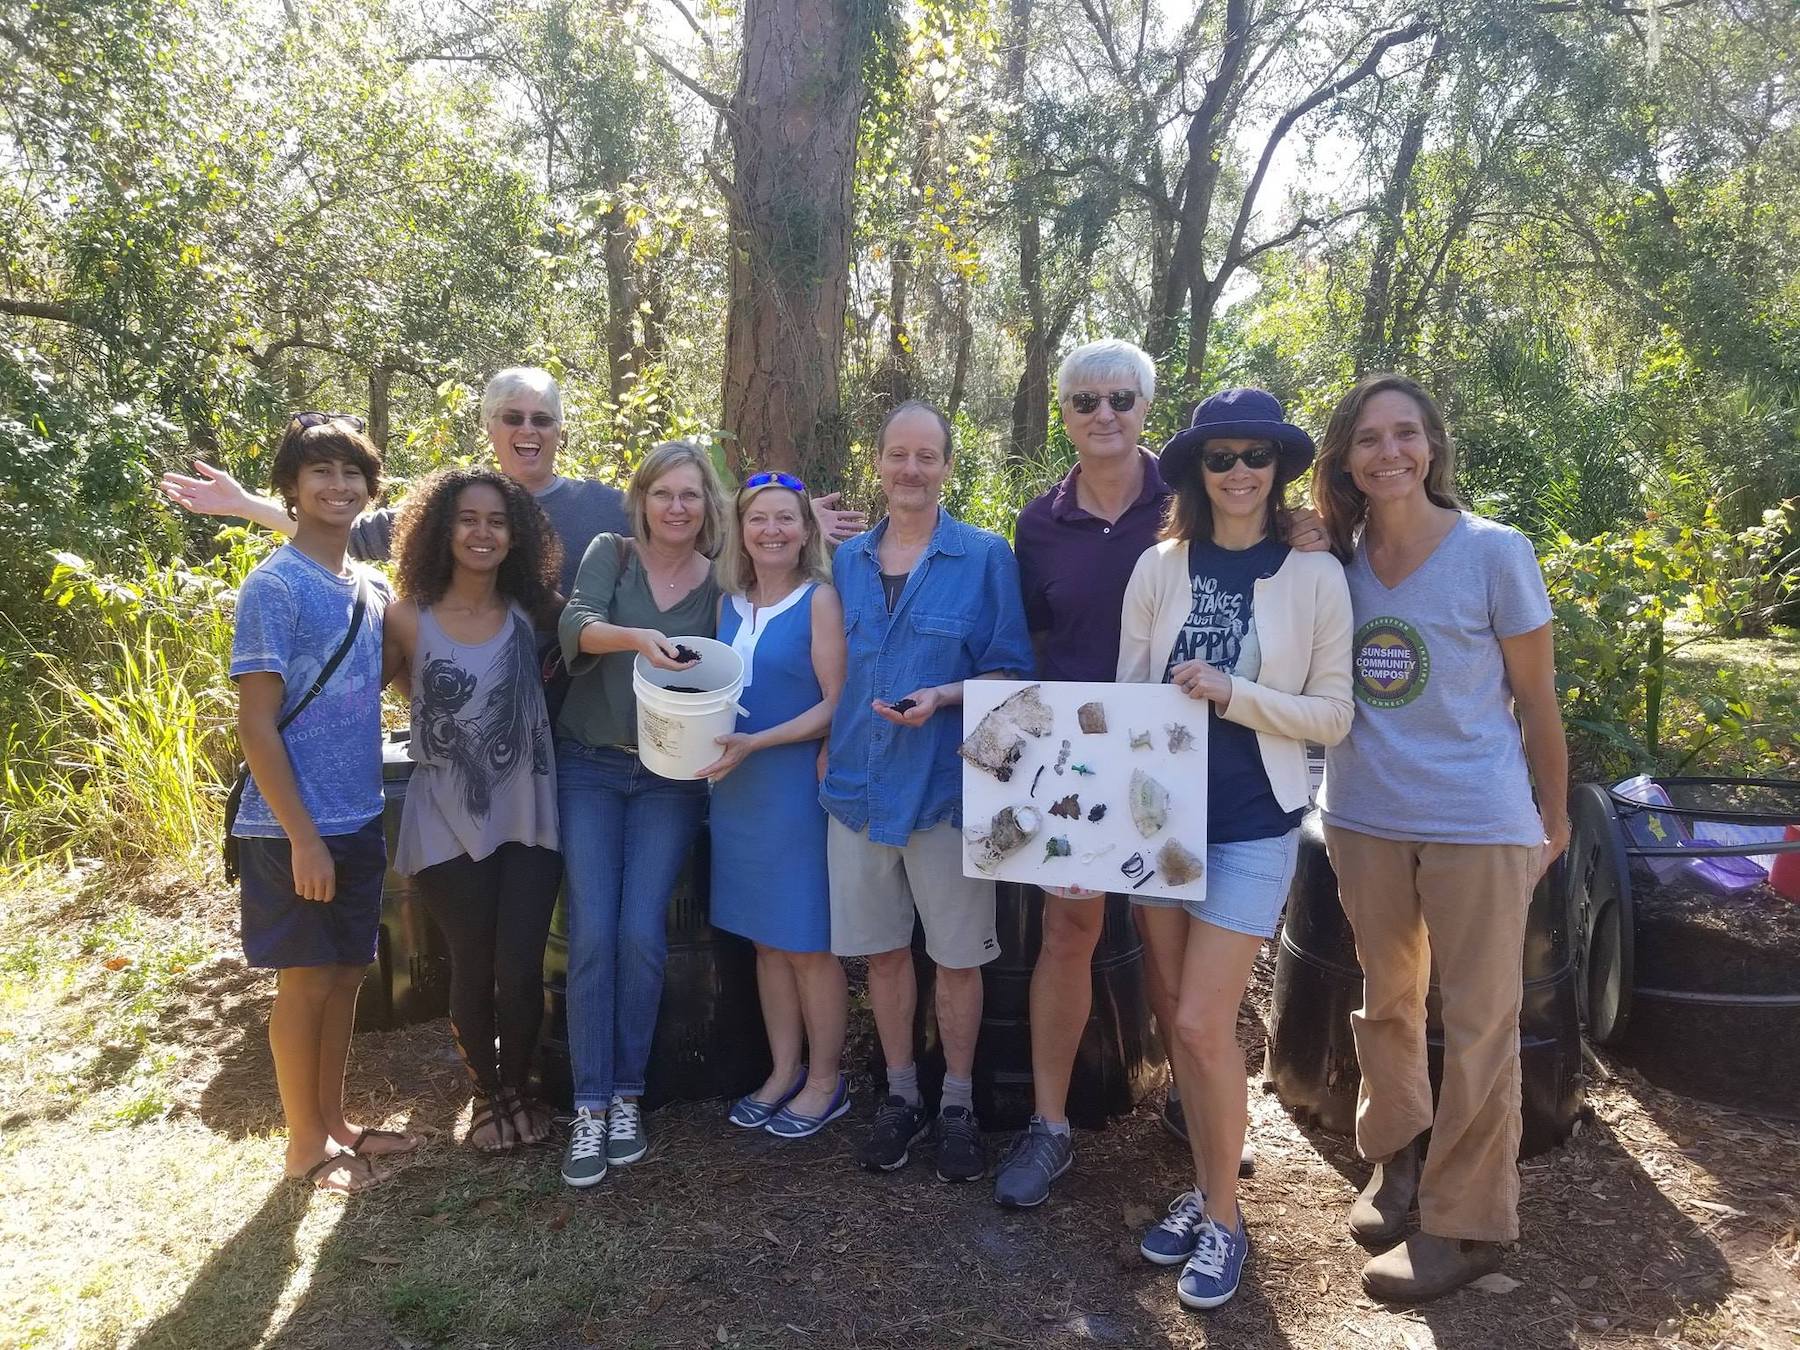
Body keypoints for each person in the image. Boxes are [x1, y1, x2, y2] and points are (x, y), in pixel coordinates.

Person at [997, 340, 1329, 1210]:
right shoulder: (1037, 524)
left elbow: (1295, 592)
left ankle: (1197, 1108)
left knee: (1178, 974)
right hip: (1087, 768)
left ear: (1147, 408)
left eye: (1119, 398)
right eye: (1084, 401)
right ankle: (1050, 1125)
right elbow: (1027, 647)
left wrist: (1307, 528)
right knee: (1068, 936)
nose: (1102, 414)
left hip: (1200, 782)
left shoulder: (1189, 499)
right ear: (1063, 414)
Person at [1312, 373, 1569, 1303]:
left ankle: (1467, 1226)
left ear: (1432, 448)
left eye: (1405, 435)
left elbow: (1537, 700)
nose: (1389, 452)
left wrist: (1555, 816)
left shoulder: (1496, 553)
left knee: (1478, 1024)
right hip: (1365, 816)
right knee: (1389, 1001)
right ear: (1344, 457)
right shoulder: (1332, 561)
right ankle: (1397, 1160)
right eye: (1369, 439)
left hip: (1477, 823)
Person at [1117, 388, 1353, 1309]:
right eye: (1221, 457)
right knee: (1179, 1016)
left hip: (1256, 821)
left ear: (1279, 467)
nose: (1241, 471)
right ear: (1196, 471)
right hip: (1157, 821)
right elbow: (1130, 693)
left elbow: (1334, 713)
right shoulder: (1159, 566)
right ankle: (1209, 1187)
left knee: (1202, 1023)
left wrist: (1232, 692)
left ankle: (1227, 1222)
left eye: (1257, 455)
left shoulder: (1314, 574)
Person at [821, 400, 1034, 1183]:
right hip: (855, 791)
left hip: (946, 793)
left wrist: (944, 697)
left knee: (956, 960)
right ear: (876, 462)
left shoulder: (984, 557)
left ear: (948, 465)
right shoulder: (845, 563)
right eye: (896, 455)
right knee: (882, 957)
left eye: (926, 457)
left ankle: (957, 1107)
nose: (910, 470)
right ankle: (902, 1096)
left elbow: (1011, 672)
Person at [159, 367, 866, 588]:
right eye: (513, 418)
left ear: (561, 430)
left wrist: (792, 523)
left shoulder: (601, 505)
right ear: (492, 428)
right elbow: (342, 537)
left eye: (542, 419)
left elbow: (695, 530)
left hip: (581, 715)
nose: (528, 431)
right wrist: (247, 505)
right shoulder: (450, 502)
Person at [229, 413, 419, 1193]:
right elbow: (256, 723)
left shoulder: (368, 587)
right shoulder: (273, 586)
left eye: (351, 475)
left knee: (346, 977)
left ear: (369, 490)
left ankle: (336, 1122)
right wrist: (302, 836)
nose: (337, 487)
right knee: (304, 981)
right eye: (321, 473)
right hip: (289, 828)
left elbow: (357, 688)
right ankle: (304, 1145)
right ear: (293, 489)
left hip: (358, 813)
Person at [554, 439, 727, 1187]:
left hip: (671, 778)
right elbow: (576, 626)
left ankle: (627, 1094)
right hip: (589, 767)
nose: (677, 508)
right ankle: (588, 1109)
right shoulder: (612, 554)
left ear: (707, 506)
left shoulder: (719, 583)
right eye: (665, 494)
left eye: (691, 495)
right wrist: (638, 641)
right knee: (591, 933)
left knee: (639, 933)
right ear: (642, 500)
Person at [384, 467, 565, 1152]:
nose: (482, 532)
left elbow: (605, 629)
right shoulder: (404, 618)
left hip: (529, 814)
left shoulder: (536, 609)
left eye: (496, 520)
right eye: (467, 519)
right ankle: (486, 1098)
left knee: (518, 965)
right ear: (441, 529)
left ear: (514, 534)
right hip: (444, 819)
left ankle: (518, 1087)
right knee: (473, 962)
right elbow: (350, 693)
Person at [699, 472, 851, 1138]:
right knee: (766, 943)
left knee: (808, 944)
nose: (772, 530)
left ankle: (826, 1079)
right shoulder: (728, 604)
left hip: (793, 790)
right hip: (735, 793)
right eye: (758, 518)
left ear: (805, 529)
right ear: (742, 530)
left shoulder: (819, 601)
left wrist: (759, 740)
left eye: (786, 518)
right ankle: (782, 1070)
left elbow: (835, 703)